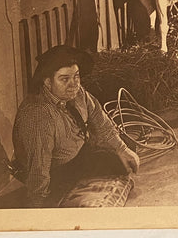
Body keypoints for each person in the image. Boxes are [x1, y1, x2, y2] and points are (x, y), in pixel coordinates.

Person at [12, 45, 140, 208]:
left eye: (76, 76)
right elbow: (38, 167)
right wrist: (38, 205)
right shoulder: (39, 115)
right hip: (56, 169)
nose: (73, 84)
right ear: (47, 82)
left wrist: (122, 149)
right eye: (64, 79)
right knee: (116, 164)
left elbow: (99, 120)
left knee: (128, 147)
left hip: (78, 150)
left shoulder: (77, 93)